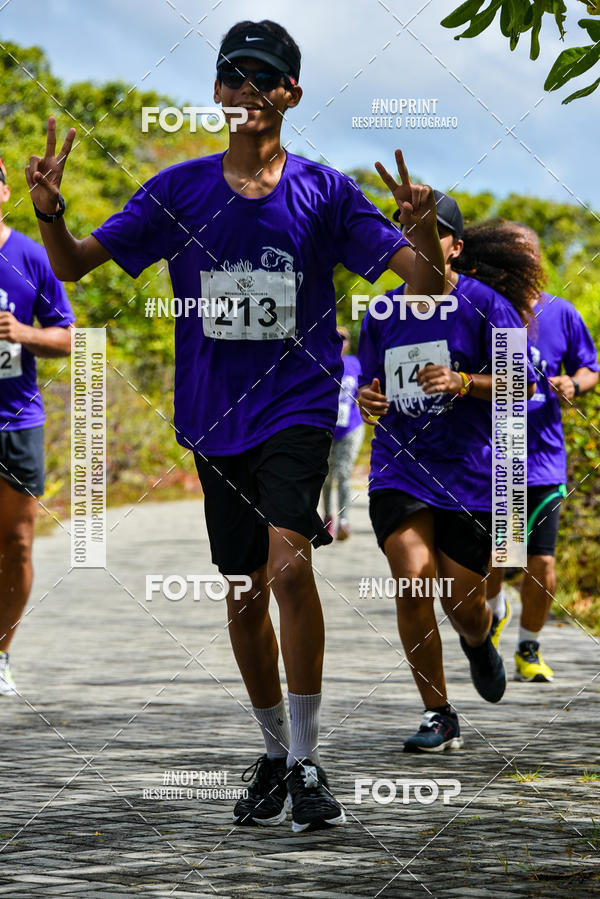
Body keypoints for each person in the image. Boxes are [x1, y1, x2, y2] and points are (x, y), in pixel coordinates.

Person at [26, 20, 444, 830]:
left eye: (264, 78)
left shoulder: (327, 192)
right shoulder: (178, 191)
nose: (246, 91)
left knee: (291, 571)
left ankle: (311, 758)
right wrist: (49, 212)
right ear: (218, 93)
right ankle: (274, 750)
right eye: (233, 77)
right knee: (246, 589)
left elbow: (426, 285)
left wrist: (421, 222)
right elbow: (76, 263)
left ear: (290, 92)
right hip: (214, 418)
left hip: (298, 403)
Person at [358, 192, 536, 752]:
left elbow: (524, 385)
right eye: (406, 231)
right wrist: (369, 399)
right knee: (413, 580)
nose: (415, 241)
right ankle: (438, 711)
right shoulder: (381, 311)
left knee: (463, 603)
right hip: (399, 467)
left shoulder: (487, 306)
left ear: (455, 247)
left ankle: (479, 642)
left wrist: (463, 382)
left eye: (430, 232)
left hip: (472, 473)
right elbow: (369, 385)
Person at [477, 222, 599, 682]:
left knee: (541, 560)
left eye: (531, 252)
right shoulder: (486, 311)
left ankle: (529, 647)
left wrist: (574, 383)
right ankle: (494, 611)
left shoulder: (562, 313)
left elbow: (589, 367)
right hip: (495, 454)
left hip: (545, 457)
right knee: (500, 556)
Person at [0, 156, 75, 695]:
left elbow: (71, 338)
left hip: (15, 421)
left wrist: (22, 333)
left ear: (5, 192)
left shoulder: (28, 256)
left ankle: (1, 653)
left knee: (17, 543)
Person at [322, 326, 364, 540]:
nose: (339, 341)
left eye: (343, 338)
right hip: (327, 428)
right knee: (327, 477)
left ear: (348, 343)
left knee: (343, 473)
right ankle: (328, 517)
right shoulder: (321, 362)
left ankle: (344, 520)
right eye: (335, 337)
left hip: (351, 427)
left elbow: (364, 391)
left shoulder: (355, 363)